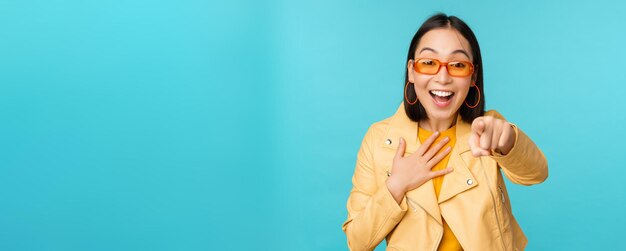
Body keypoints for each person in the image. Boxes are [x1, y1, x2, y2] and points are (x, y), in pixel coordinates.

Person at [341, 13, 548, 251]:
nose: (442, 77)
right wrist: (396, 185)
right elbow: (357, 242)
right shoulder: (378, 138)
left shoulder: (489, 128)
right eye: (428, 63)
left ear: (473, 76)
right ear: (411, 70)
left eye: (458, 65)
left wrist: (509, 141)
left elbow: (537, 173)